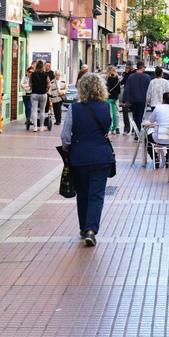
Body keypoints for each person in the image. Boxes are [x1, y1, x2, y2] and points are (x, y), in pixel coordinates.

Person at [60, 73, 116, 247]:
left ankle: (84, 228)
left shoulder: (74, 109)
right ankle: (91, 229)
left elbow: (65, 136)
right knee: (96, 195)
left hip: (79, 157)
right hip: (102, 157)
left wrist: (69, 148)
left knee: (82, 194)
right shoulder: (106, 107)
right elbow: (109, 128)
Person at [143, 92, 169, 168]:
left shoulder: (158, 108)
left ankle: (155, 158)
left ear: (164, 100)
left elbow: (151, 120)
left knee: (146, 138)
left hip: (158, 138)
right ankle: (168, 159)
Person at [124, 62, 152, 137]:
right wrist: (149, 100)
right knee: (140, 115)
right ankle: (137, 132)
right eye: (144, 67)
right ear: (142, 67)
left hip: (133, 99)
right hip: (142, 99)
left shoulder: (131, 77)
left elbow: (127, 89)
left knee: (135, 115)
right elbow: (150, 89)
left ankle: (135, 130)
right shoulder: (147, 77)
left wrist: (126, 100)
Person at [26, 60, 51, 132]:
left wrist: (32, 87)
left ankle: (35, 127)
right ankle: (42, 127)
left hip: (34, 94)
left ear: (36, 66)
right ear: (43, 66)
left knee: (34, 110)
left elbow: (30, 84)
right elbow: (49, 84)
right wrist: (46, 89)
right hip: (43, 94)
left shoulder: (32, 75)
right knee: (42, 111)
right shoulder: (46, 75)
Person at [105, 65, 122, 134]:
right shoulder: (117, 79)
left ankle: (109, 128)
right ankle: (114, 129)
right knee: (115, 113)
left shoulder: (109, 78)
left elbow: (106, 88)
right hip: (115, 98)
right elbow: (119, 91)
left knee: (108, 113)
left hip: (108, 97)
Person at [20, 66, 35, 131]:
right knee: (26, 107)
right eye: (29, 72)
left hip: (31, 94)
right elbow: (21, 84)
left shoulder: (33, 78)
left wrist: (27, 86)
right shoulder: (24, 77)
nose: (30, 73)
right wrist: (27, 86)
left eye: (32, 72)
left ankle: (29, 119)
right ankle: (27, 119)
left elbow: (32, 86)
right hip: (24, 94)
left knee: (29, 107)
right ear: (27, 72)